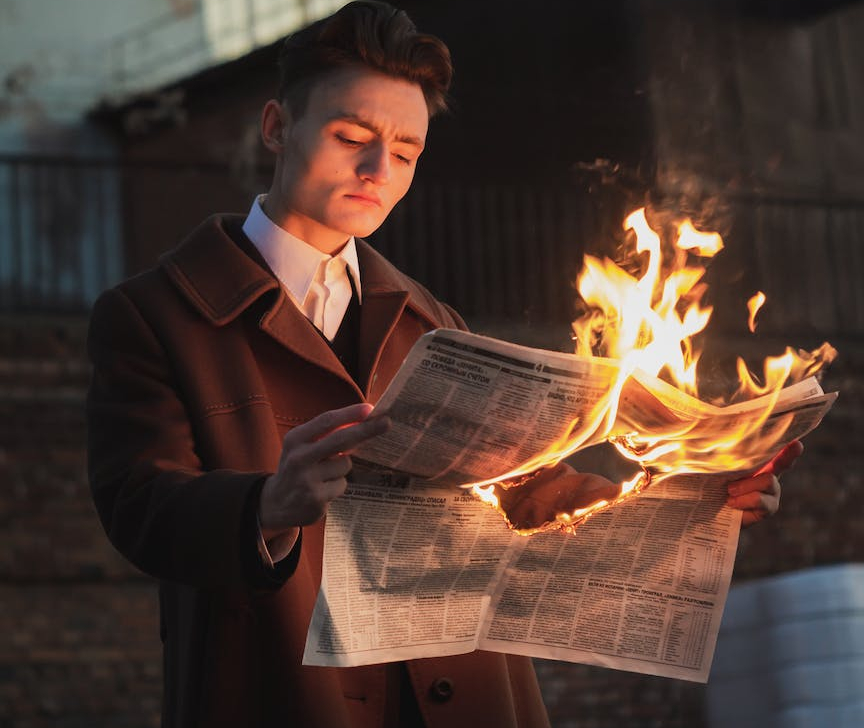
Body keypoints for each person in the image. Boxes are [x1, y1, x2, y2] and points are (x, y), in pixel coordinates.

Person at [86, 3, 797, 727]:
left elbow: (528, 492)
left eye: (406, 151)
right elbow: (140, 507)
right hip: (278, 693)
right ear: (276, 127)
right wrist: (266, 505)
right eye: (350, 136)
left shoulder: (432, 321)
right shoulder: (155, 314)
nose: (377, 170)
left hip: (471, 696)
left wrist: (695, 502)